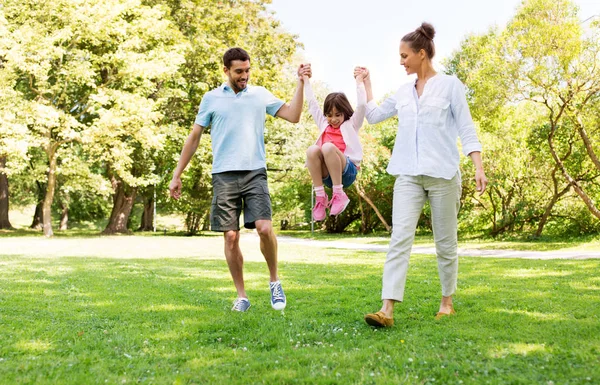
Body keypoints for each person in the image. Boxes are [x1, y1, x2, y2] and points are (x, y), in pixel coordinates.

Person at [359, 23, 488, 327]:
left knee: (445, 241)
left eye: (405, 55)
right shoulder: (403, 91)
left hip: (443, 174)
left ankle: (447, 302)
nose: (401, 61)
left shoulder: (450, 85)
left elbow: (467, 128)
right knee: (399, 239)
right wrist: (366, 84)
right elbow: (375, 116)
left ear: (421, 53)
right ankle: (386, 309)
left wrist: (478, 166)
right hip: (408, 174)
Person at [169, 47, 311, 312]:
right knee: (231, 237)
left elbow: (293, 116)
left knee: (264, 228)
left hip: (254, 171)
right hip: (223, 174)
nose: (244, 75)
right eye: (238, 71)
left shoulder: (259, 95)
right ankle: (242, 296)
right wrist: (177, 175)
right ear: (226, 70)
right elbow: (194, 137)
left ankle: (274, 281)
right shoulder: (211, 99)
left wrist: (301, 83)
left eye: (247, 70)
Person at [304, 69, 367, 221]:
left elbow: (362, 106)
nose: (333, 119)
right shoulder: (323, 124)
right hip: (328, 177)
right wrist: (305, 79)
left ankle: (339, 194)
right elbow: (312, 103)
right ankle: (320, 197)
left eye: (337, 115)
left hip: (347, 172)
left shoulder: (351, 124)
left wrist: (359, 81)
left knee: (327, 147)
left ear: (344, 112)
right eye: (329, 115)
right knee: (312, 150)